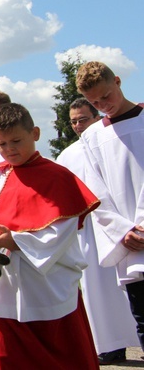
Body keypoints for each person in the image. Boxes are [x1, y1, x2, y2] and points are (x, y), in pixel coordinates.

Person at [0, 103, 99, 369]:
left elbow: (63, 229)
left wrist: (16, 241)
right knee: (6, 356)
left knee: (59, 357)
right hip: (2, 287)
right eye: (1, 144)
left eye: (16, 141)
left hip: (45, 286)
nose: (9, 149)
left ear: (35, 133)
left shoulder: (59, 177)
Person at [56, 97, 139, 365]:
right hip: (88, 232)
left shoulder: (112, 138)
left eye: (83, 119)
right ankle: (109, 344)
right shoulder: (67, 155)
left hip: (121, 224)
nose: (79, 125)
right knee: (98, 292)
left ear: (95, 118)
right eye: (74, 121)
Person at [76, 61, 144, 358]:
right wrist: (123, 231)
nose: (103, 106)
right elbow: (95, 192)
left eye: (106, 96)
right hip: (128, 242)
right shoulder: (92, 137)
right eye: (94, 102)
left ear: (117, 81)